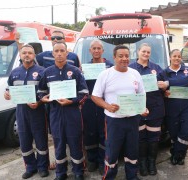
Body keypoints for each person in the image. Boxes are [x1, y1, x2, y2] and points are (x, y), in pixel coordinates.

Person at [91, 45, 147, 180]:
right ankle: (109, 176)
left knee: (132, 150)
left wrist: (143, 109)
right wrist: (107, 106)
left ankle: (132, 176)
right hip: (113, 120)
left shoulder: (135, 73)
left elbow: (141, 95)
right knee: (112, 151)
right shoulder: (106, 74)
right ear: (114, 57)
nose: (124, 59)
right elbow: (95, 96)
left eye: (127, 56)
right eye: (120, 56)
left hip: (133, 119)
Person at [38, 42, 89, 180]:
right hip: (55, 113)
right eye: (57, 51)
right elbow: (41, 91)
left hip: (72, 113)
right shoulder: (47, 72)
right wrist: (43, 99)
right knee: (58, 143)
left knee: (75, 142)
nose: (59, 53)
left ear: (67, 53)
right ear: (53, 53)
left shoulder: (76, 71)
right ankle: (61, 172)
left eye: (62, 51)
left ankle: (78, 171)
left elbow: (84, 93)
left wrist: (71, 101)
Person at [4, 44, 49, 179]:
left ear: (34, 55)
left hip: (38, 111)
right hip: (21, 112)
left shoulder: (42, 71)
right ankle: (30, 167)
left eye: (30, 53)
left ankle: (42, 167)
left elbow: (48, 93)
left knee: (41, 141)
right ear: (21, 55)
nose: (27, 55)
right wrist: (6, 94)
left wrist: (39, 102)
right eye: (24, 53)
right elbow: (8, 90)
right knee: (24, 141)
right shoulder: (14, 72)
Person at [129, 43, 166, 176]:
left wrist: (164, 85)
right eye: (143, 51)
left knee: (154, 137)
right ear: (138, 52)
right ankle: (142, 164)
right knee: (140, 138)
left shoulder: (156, 68)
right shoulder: (130, 68)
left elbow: (166, 84)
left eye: (148, 52)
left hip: (155, 108)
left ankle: (152, 163)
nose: (145, 54)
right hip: (137, 108)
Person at [158, 49, 188, 165]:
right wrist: (164, 91)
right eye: (174, 56)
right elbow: (158, 89)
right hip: (171, 108)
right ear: (170, 57)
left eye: (179, 56)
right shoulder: (163, 72)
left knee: (186, 132)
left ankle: (179, 153)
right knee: (174, 132)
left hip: (186, 107)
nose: (177, 58)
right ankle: (177, 154)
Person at [81, 39, 113, 175]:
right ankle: (92, 160)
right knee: (89, 132)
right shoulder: (85, 67)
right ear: (90, 51)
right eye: (93, 48)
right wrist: (81, 73)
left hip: (104, 103)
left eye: (98, 48)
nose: (96, 51)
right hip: (88, 104)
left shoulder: (110, 66)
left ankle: (102, 161)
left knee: (103, 133)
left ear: (103, 50)